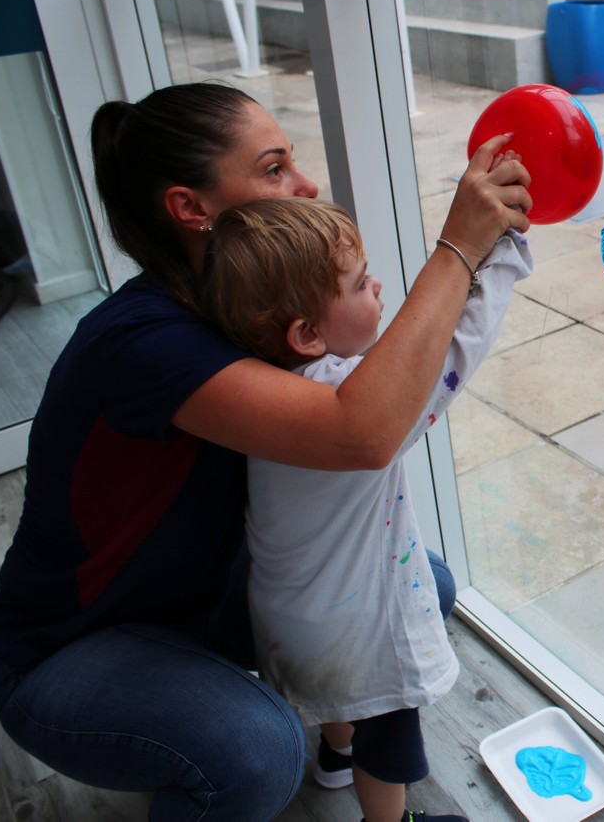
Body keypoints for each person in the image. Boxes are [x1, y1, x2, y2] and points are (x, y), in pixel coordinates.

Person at [0, 82, 531, 822]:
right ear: (190, 207)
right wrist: (460, 249)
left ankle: (330, 747)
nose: (305, 184)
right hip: (70, 647)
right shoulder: (145, 344)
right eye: (274, 169)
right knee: (260, 751)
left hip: (194, 598)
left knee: (418, 585)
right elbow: (364, 431)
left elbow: (367, 391)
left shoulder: (249, 307)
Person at [203, 196, 531, 822]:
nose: (377, 286)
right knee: (391, 736)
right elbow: (452, 356)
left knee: (340, 701)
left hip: (287, 615)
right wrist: (499, 263)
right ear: (307, 334)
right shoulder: (345, 403)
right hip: (357, 632)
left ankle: (335, 756)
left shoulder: (265, 392)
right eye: (360, 284)